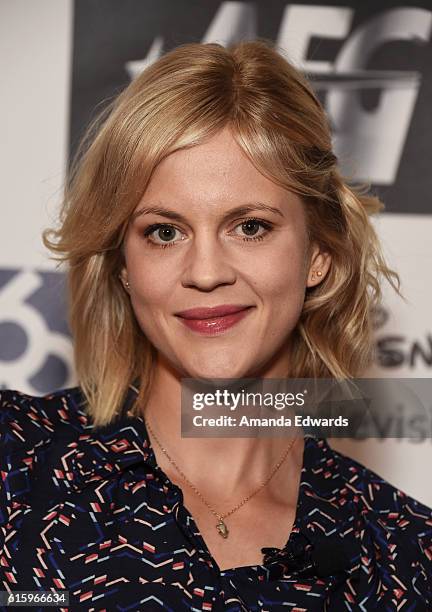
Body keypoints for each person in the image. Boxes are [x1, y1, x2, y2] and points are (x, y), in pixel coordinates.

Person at [1, 39, 431, 611]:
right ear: (124, 266)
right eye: (164, 231)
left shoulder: (403, 554)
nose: (205, 273)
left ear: (320, 253)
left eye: (250, 227)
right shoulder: (16, 467)